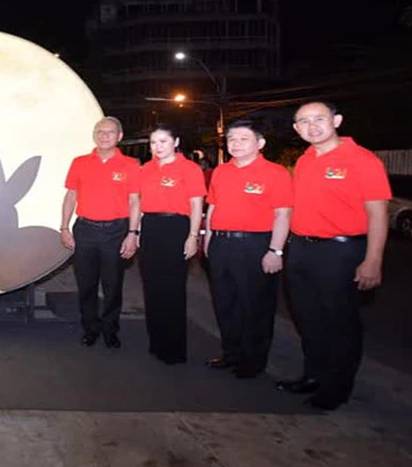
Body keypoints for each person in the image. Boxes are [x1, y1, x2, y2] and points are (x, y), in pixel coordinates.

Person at [277, 101, 390, 410]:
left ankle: (337, 388)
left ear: (337, 120)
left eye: (319, 119)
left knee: (339, 322)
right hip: (301, 249)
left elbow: (378, 214)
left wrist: (373, 259)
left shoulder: (363, 160)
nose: (312, 126)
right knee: (307, 318)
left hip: (341, 251)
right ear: (297, 129)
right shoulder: (304, 160)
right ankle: (313, 375)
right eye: (304, 122)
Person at [203, 120, 292, 378]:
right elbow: (214, 208)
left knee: (255, 305)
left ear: (260, 143)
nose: (236, 144)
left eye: (244, 139)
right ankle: (231, 353)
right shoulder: (221, 172)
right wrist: (208, 240)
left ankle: (253, 361)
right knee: (225, 302)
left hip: (256, 245)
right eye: (232, 139)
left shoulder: (275, 173)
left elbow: (282, 215)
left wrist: (275, 251)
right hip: (221, 243)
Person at [60, 117, 141, 348]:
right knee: (86, 284)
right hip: (85, 229)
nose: (104, 135)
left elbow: (135, 201)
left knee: (113, 285)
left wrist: (133, 233)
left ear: (120, 136)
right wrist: (64, 227)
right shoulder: (80, 162)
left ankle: (110, 329)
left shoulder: (130, 165)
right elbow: (70, 196)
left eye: (110, 132)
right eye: (100, 131)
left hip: (116, 231)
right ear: (94, 134)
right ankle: (90, 327)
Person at [137, 124, 206, 365]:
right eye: (154, 142)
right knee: (152, 287)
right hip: (151, 228)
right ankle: (156, 342)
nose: (158, 147)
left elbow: (197, 205)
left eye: (163, 141)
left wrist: (193, 235)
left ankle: (174, 349)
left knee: (173, 289)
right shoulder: (145, 169)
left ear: (176, 142)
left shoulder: (189, 168)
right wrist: (135, 231)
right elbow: (138, 203)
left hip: (176, 228)